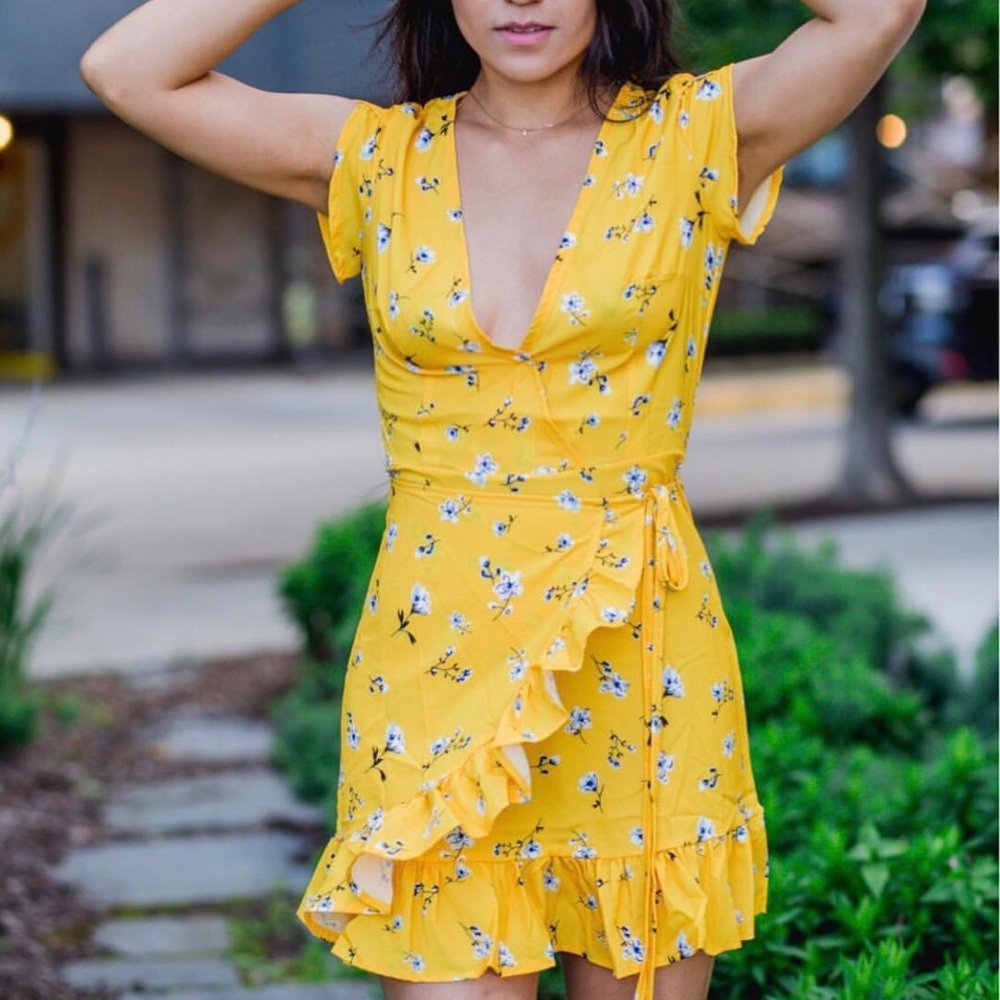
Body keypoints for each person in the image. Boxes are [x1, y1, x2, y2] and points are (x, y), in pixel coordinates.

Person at [81, 2, 925, 998]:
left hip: (636, 662)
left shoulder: (697, 135)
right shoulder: (370, 156)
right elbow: (127, 68)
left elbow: (878, 12)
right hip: (433, 676)